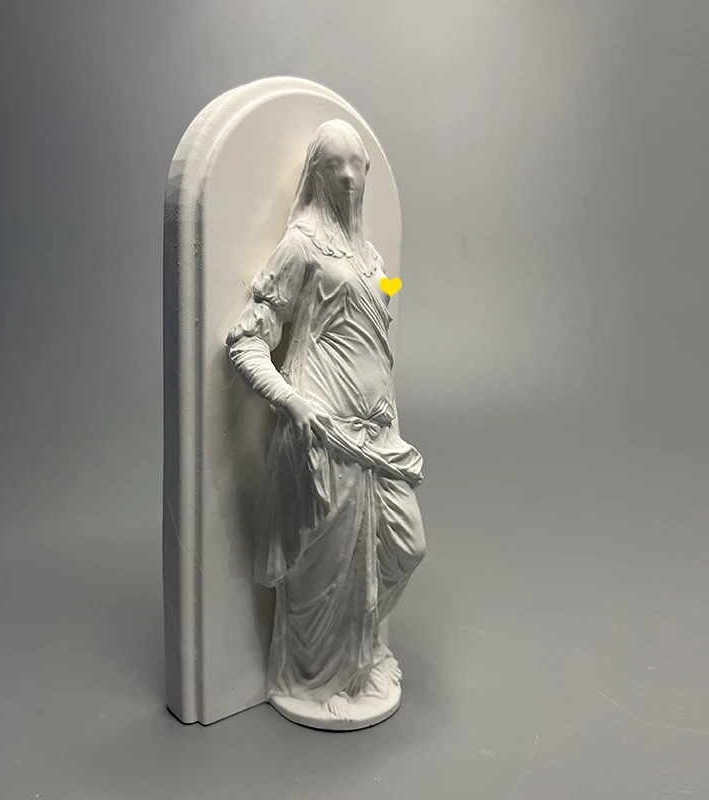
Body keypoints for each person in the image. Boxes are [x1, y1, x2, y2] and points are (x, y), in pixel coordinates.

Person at [226, 119, 426, 723]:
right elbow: (246, 341)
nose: (347, 177)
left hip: (376, 435)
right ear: (315, 174)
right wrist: (291, 402)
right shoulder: (301, 246)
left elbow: (382, 297)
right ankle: (319, 680)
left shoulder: (370, 256)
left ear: (366, 171)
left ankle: (362, 656)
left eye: (355, 164)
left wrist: (391, 284)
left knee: (404, 547)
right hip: (323, 436)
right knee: (325, 574)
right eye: (333, 165)